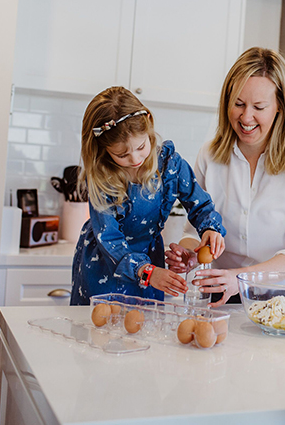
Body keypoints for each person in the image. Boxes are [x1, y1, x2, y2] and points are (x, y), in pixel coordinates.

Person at [166, 47, 285, 306]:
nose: (245, 117)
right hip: (224, 295)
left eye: (258, 107)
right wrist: (190, 252)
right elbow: (194, 231)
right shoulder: (210, 155)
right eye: (238, 104)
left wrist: (240, 278)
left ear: (280, 107)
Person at [70, 86, 226, 304]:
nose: (134, 159)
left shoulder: (169, 164)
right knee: (102, 327)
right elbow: (110, 239)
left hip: (150, 259)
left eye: (141, 146)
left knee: (145, 327)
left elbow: (199, 203)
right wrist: (147, 272)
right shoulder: (102, 178)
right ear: (103, 149)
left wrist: (209, 228)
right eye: (122, 154)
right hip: (106, 264)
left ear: (149, 126)